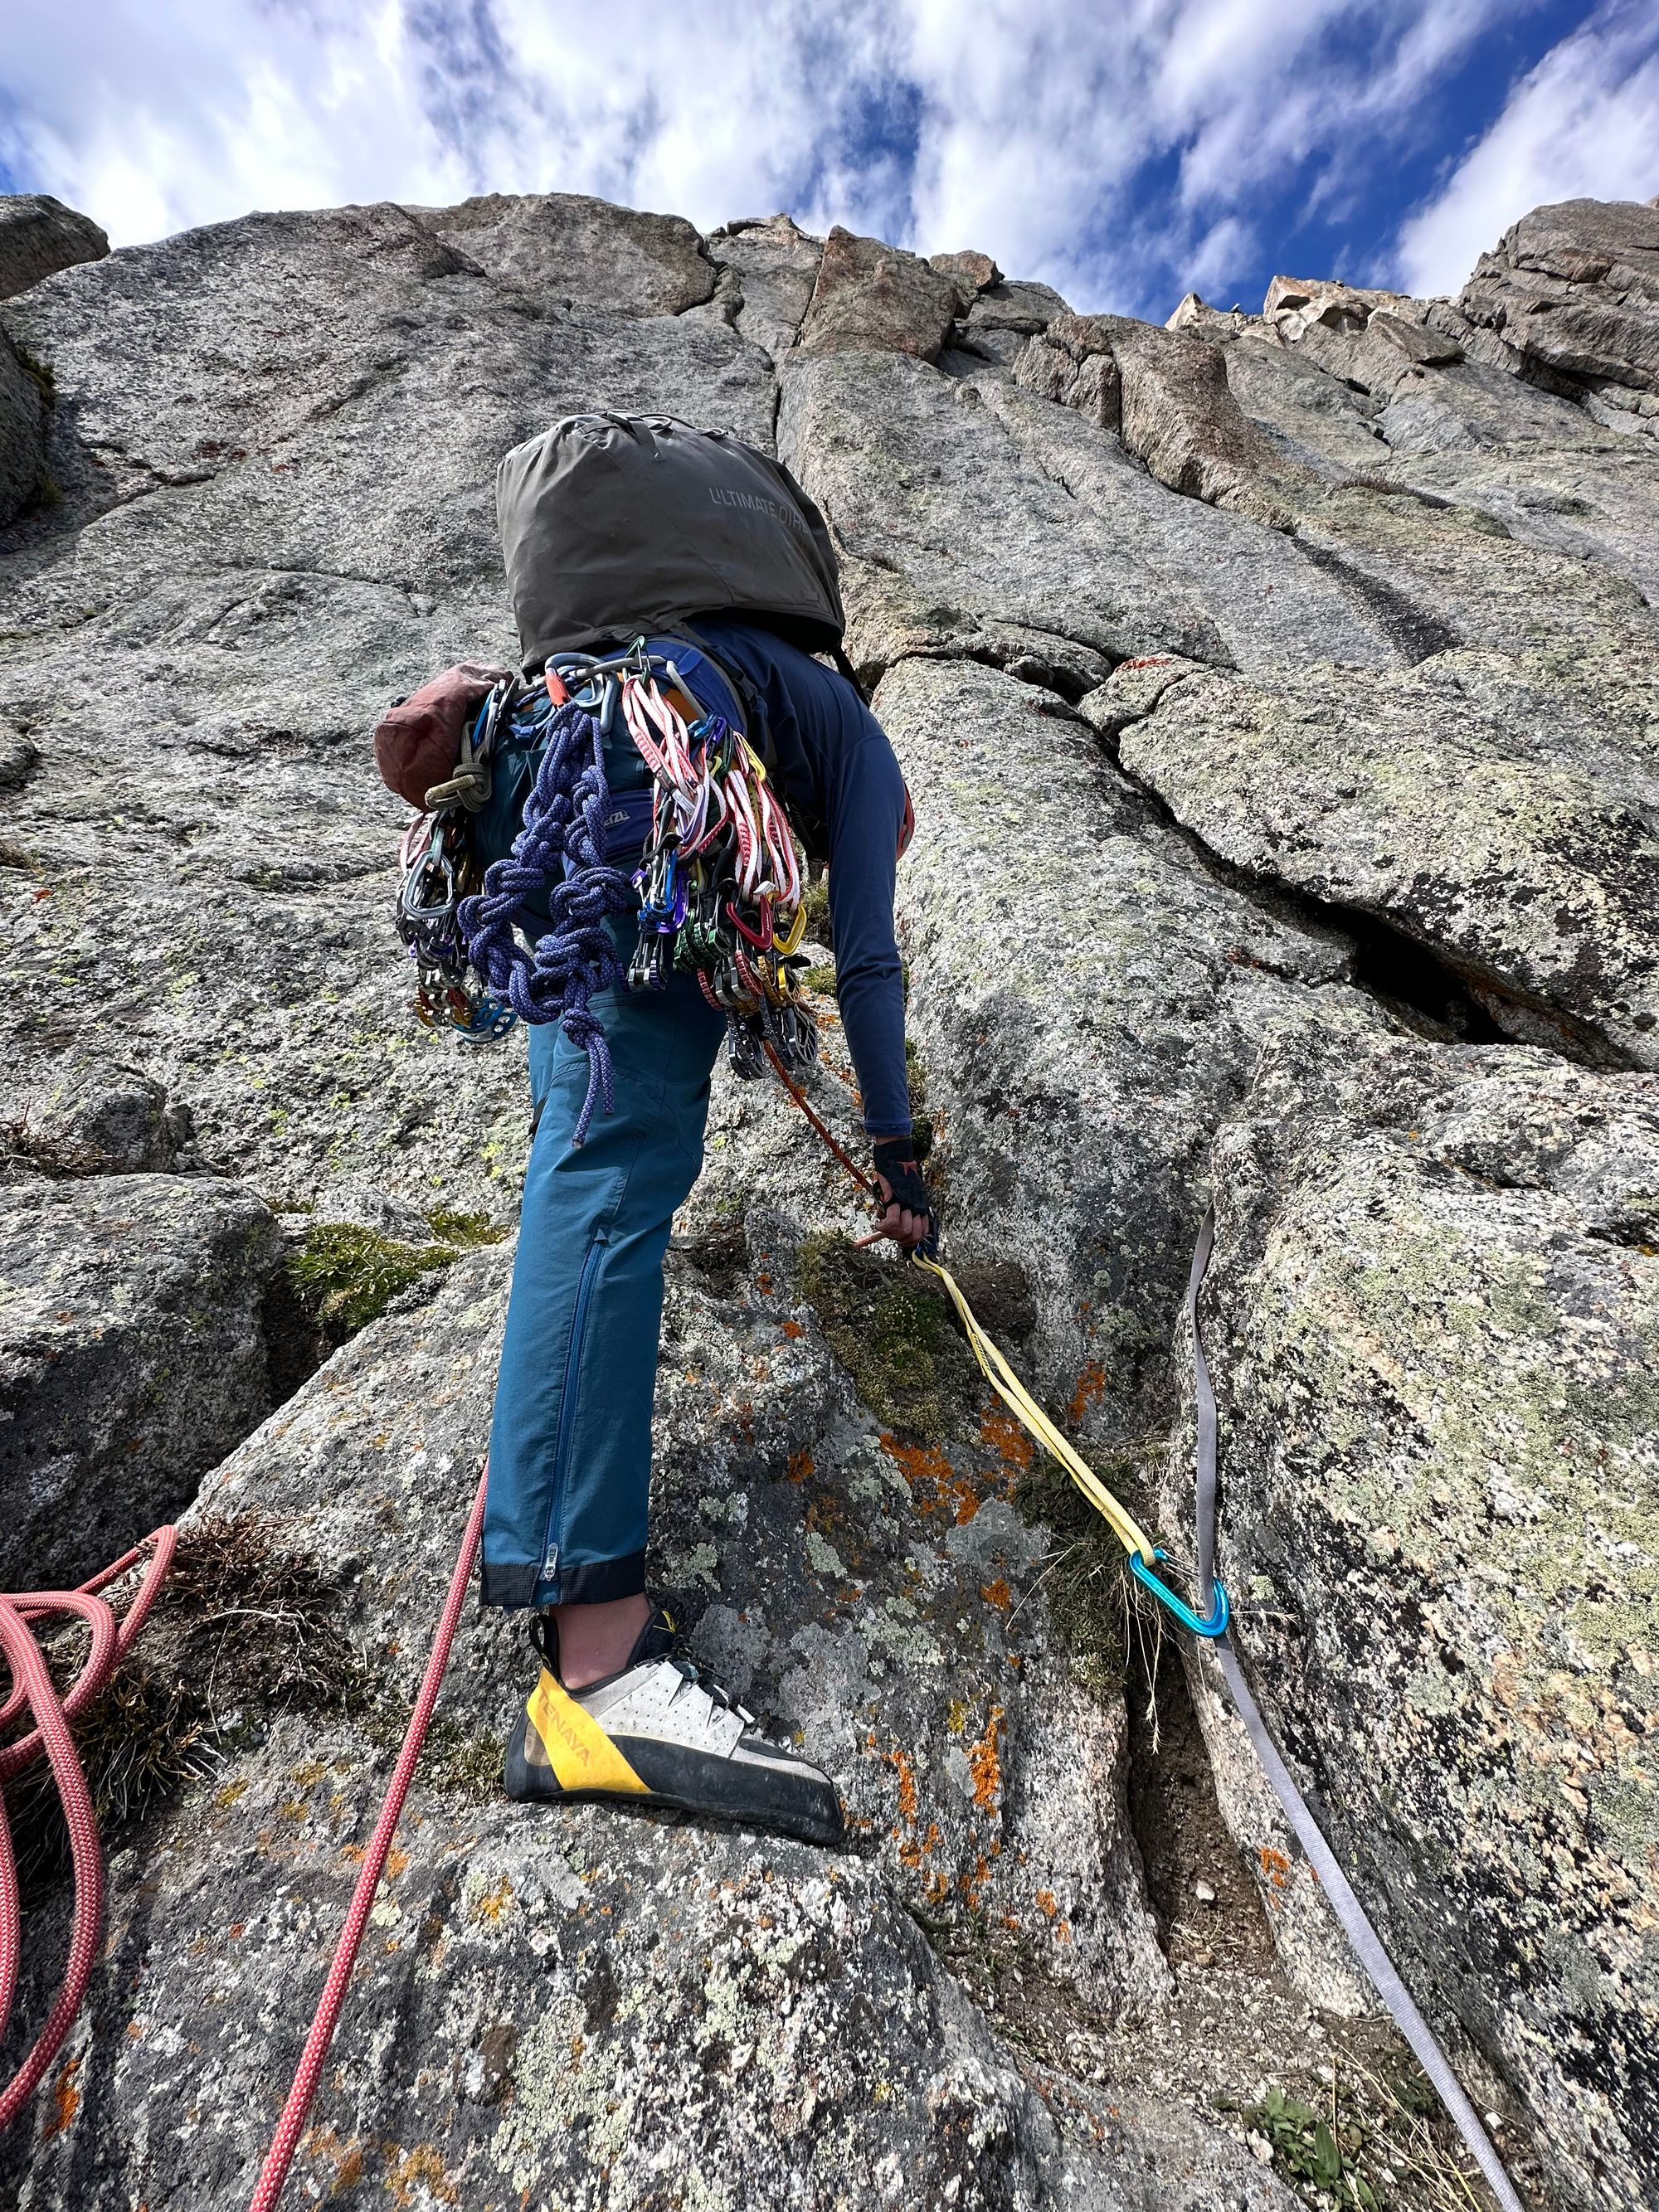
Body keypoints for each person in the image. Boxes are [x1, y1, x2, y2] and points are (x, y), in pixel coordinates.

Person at [481, 615, 936, 1847]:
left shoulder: (745, 669)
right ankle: (596, 1673)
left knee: (585, 1141)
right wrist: (900, 1156)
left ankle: (566, 1583)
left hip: (565, 756)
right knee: (616, 1168)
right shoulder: (864, 763)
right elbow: (871, 964)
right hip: (650, 772)